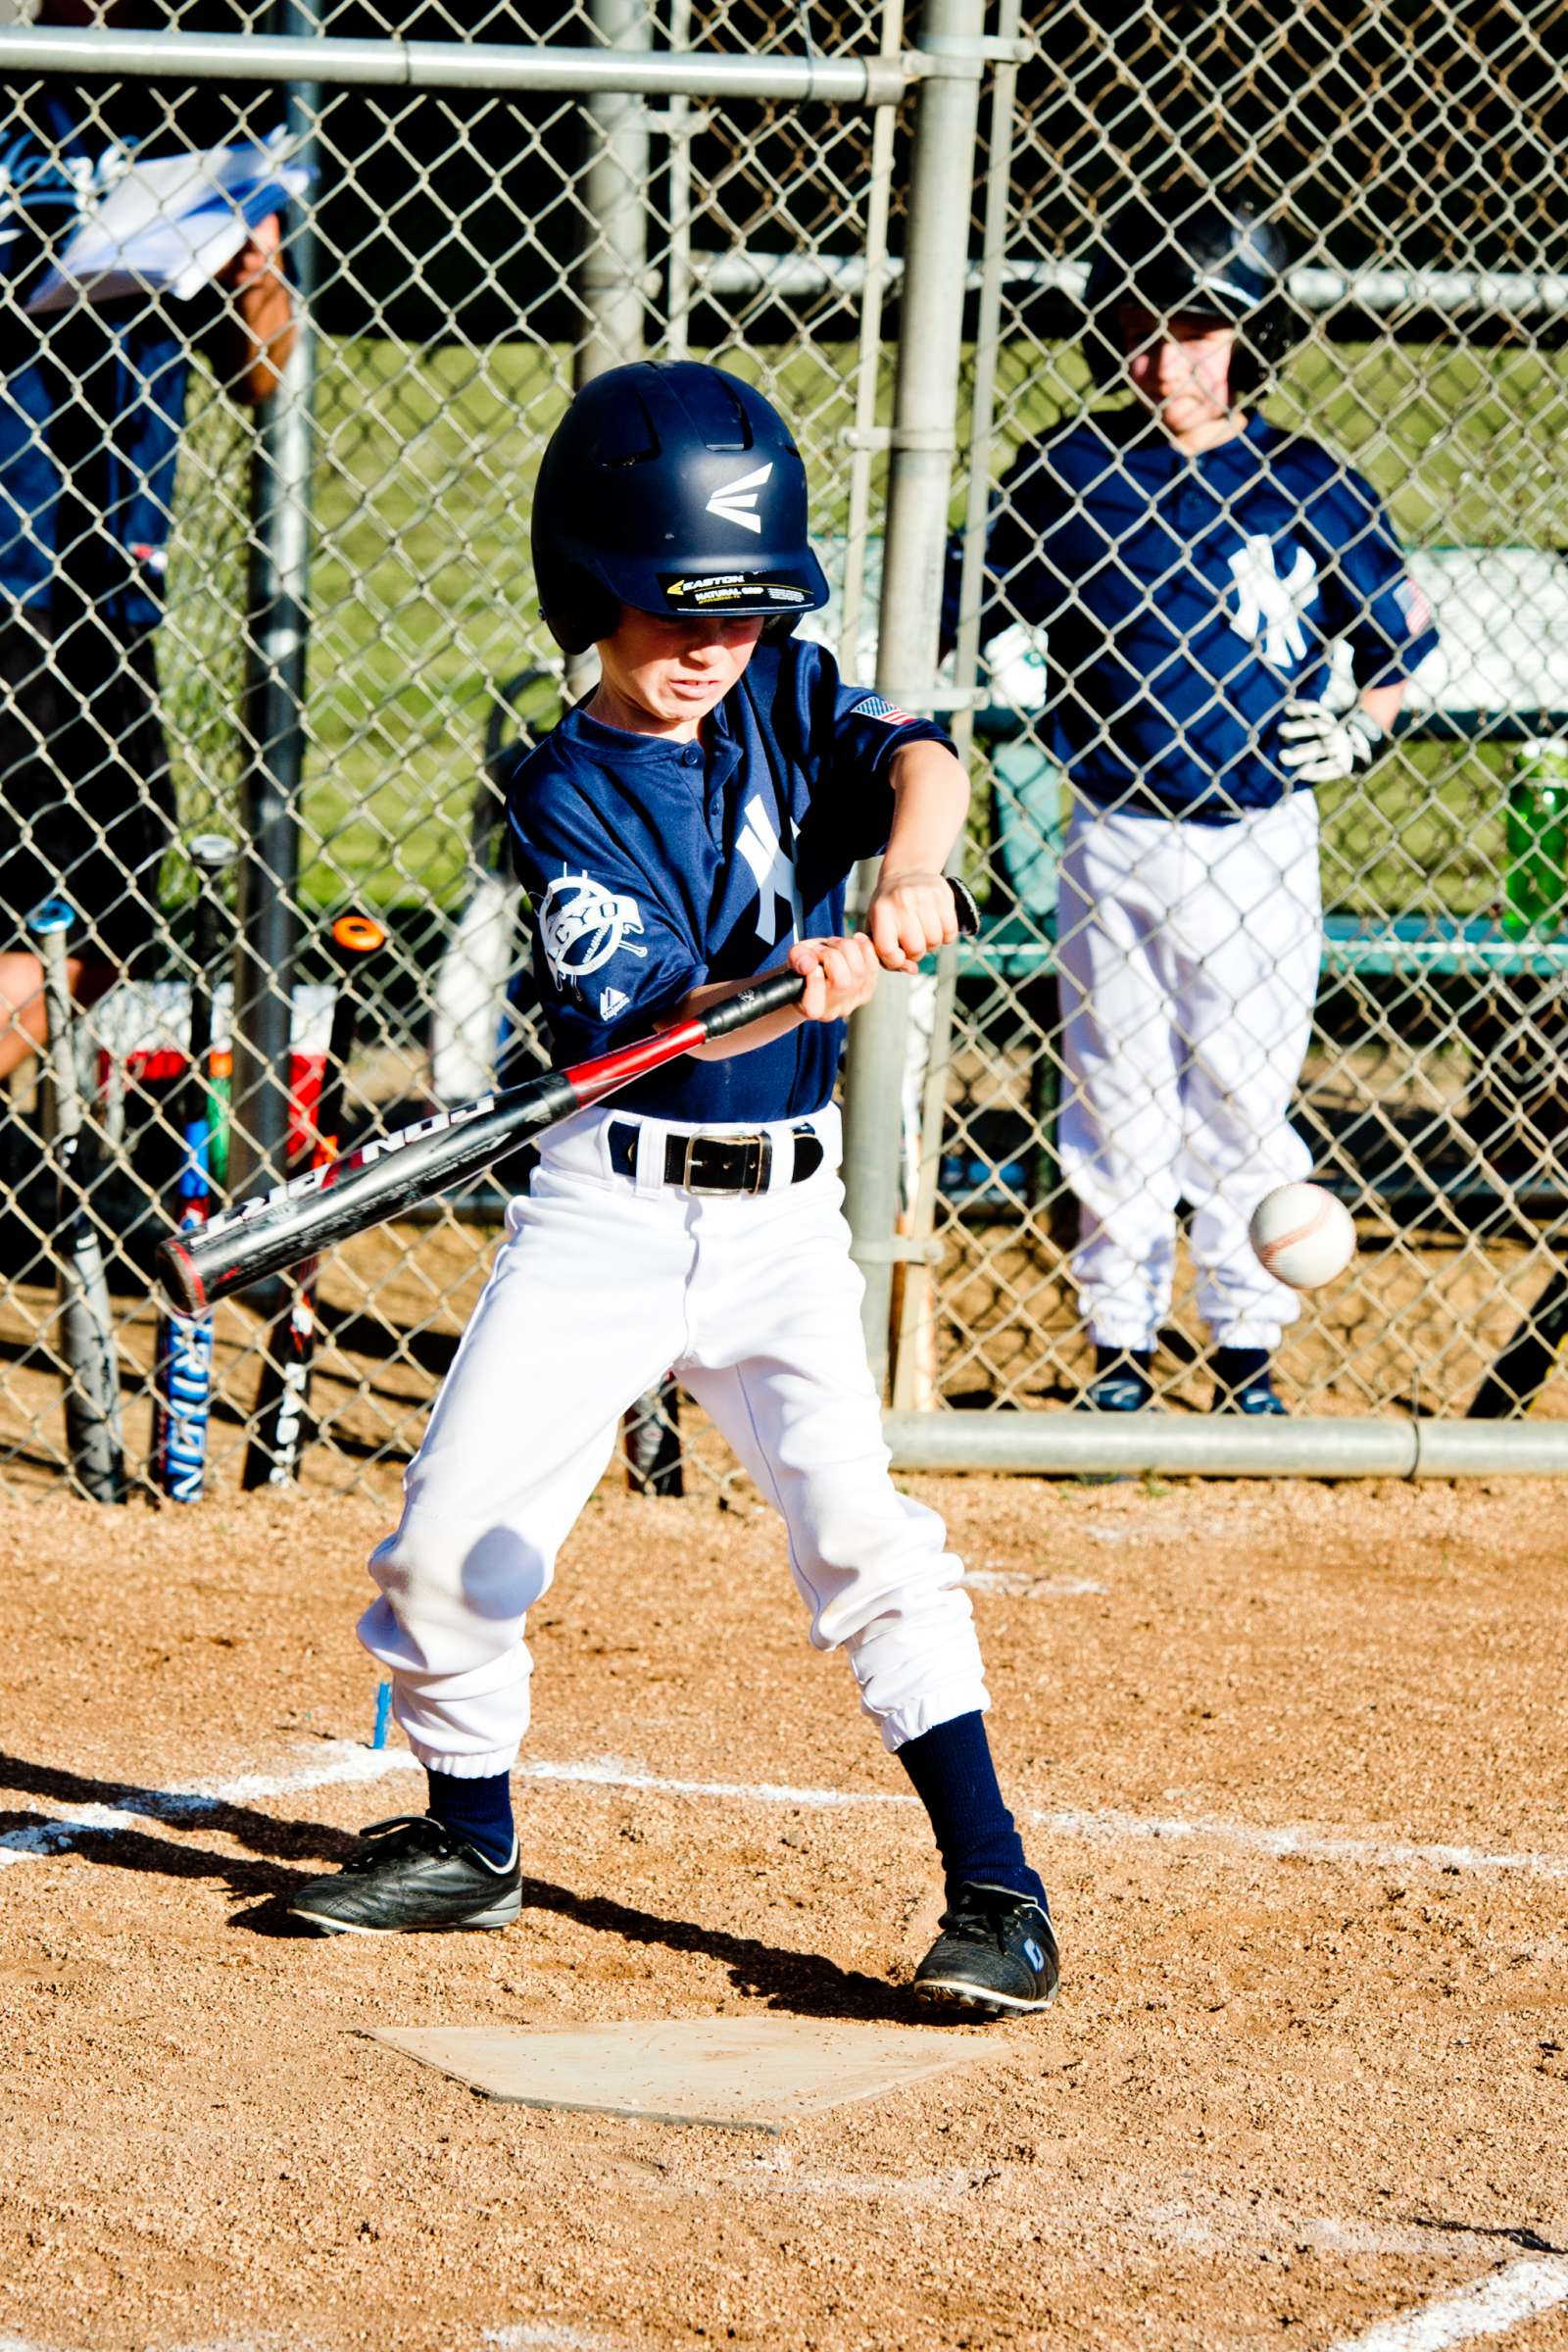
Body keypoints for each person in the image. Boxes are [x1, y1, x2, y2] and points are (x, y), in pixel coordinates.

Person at [285, 360, 1058, 2019]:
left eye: (741, 611)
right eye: (673, 613)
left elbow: (917, 760)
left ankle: (997, 1890)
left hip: (781, 1228)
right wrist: (805, 976)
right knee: (437, 1565)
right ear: (593, 594)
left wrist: (910, 871)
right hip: (612, 1213)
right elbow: (668, 1026)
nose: (712, 645)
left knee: (863, 1540)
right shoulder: (569, 791)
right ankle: (470, 1839)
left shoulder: (780, 691)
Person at [975, 193, 1438, 1413]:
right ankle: (1118, 1341)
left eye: (1196, 331)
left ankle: (1243, 1347)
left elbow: (1399, 640)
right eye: (1137, 329)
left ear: (1253, 338)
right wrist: (994, 658)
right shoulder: (1068, 473)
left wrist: (1359, 728)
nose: (1163, 358)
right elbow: (971, 607)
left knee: (1241, 1091)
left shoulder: (1306, 482)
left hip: (1260, 838)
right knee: (1112, 1091)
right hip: (1110, 826)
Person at [0, 0, 295, 1082]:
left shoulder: (199, 105)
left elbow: (259, 375)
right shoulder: (16, 86)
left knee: (115, 887)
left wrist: (255, 270)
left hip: (107, 582)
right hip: (13, 559)